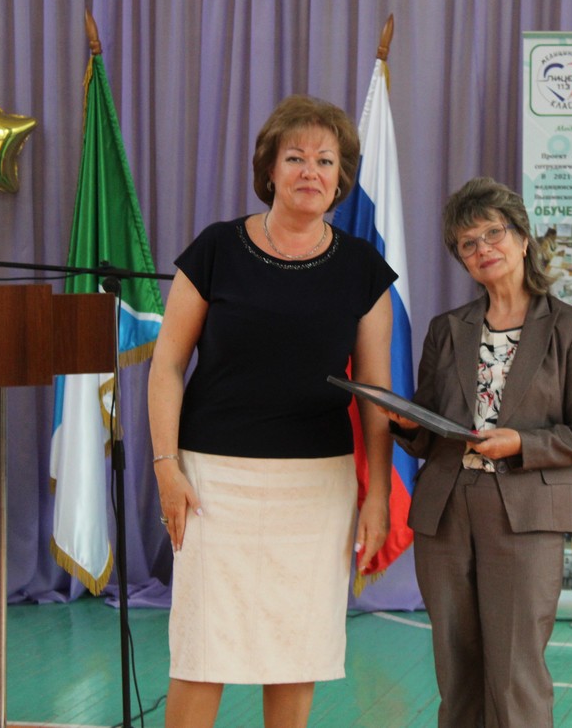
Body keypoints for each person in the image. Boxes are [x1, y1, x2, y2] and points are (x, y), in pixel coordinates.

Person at [147, 94, 396, 728]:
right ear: (270, 170)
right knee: (202, 645)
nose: (310, 171)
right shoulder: (216, 248)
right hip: (211, 480)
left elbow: (376, 394)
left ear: (341, 177)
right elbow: (167, 365)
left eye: (325, 160)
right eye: (295, 157)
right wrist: (165, 464)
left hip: (317, 487)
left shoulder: (363, 269)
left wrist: (378, 495)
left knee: (296, 645)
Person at [381, 177, 572, 728]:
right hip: (446, 509)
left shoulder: (570, 328)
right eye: (468, 243)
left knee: (514, 674)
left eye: (493, 233)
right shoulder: (446, 329)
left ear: (522, 238)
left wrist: (521, 443)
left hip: (525, 512)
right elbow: (431, 428)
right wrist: (405, 423)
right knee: (455, 671)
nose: (483, 248)